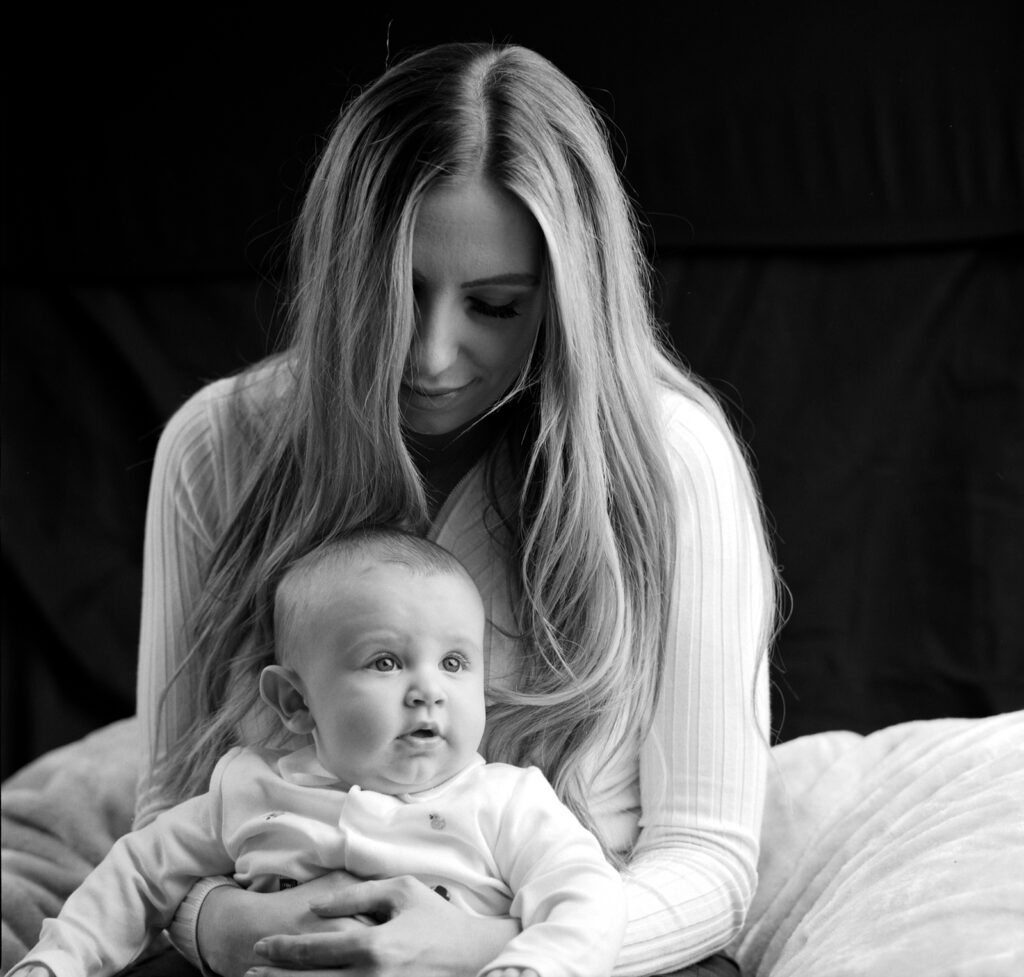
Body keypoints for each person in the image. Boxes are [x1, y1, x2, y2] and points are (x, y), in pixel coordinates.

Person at [129, 40, 778, 977]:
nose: (432, 357)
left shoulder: (672, 461)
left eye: (496, 306)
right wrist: (224, 928)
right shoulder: (215, 447)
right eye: (396, 293)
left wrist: (496, 950)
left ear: (567, 298)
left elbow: (711, 861)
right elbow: (167, 816)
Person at [13, 529, 626, 977]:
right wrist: (57, 961)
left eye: (455, 662)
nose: (429, 691)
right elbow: (138, 873)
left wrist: (532, 966)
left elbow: (587, 894)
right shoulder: (251, 789)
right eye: (385, 662)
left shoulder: (506, 801)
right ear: (295, 703)